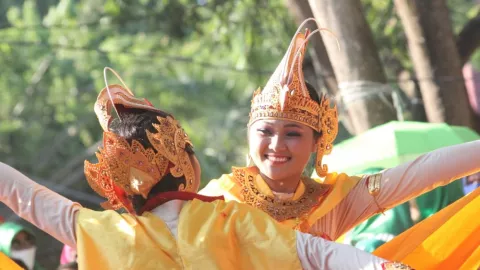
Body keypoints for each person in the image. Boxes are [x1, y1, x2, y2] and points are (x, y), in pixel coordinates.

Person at [0, 69, 409, 270]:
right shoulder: (229, 218)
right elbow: (317, 253)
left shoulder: (98, 231)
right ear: (182, 162)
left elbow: (22, 194)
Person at [199, 18, 480, 267]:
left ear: (317, 142)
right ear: (249, 135)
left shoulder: (332, 200)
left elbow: (423, 172)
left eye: (293, 133)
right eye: (265, 131)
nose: (276, 145)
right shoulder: (215, 200)